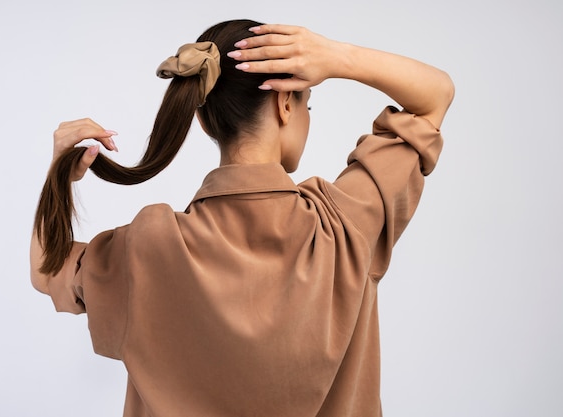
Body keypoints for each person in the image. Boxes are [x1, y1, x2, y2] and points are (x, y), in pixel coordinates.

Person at [30, 19, 453, 417]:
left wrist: (58, 175)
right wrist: (334, 56)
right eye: (309, 103)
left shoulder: (146, 248)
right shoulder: (347, 221)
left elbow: (46, 272)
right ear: (285, 103)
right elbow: (435, 97)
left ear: (199, 116)